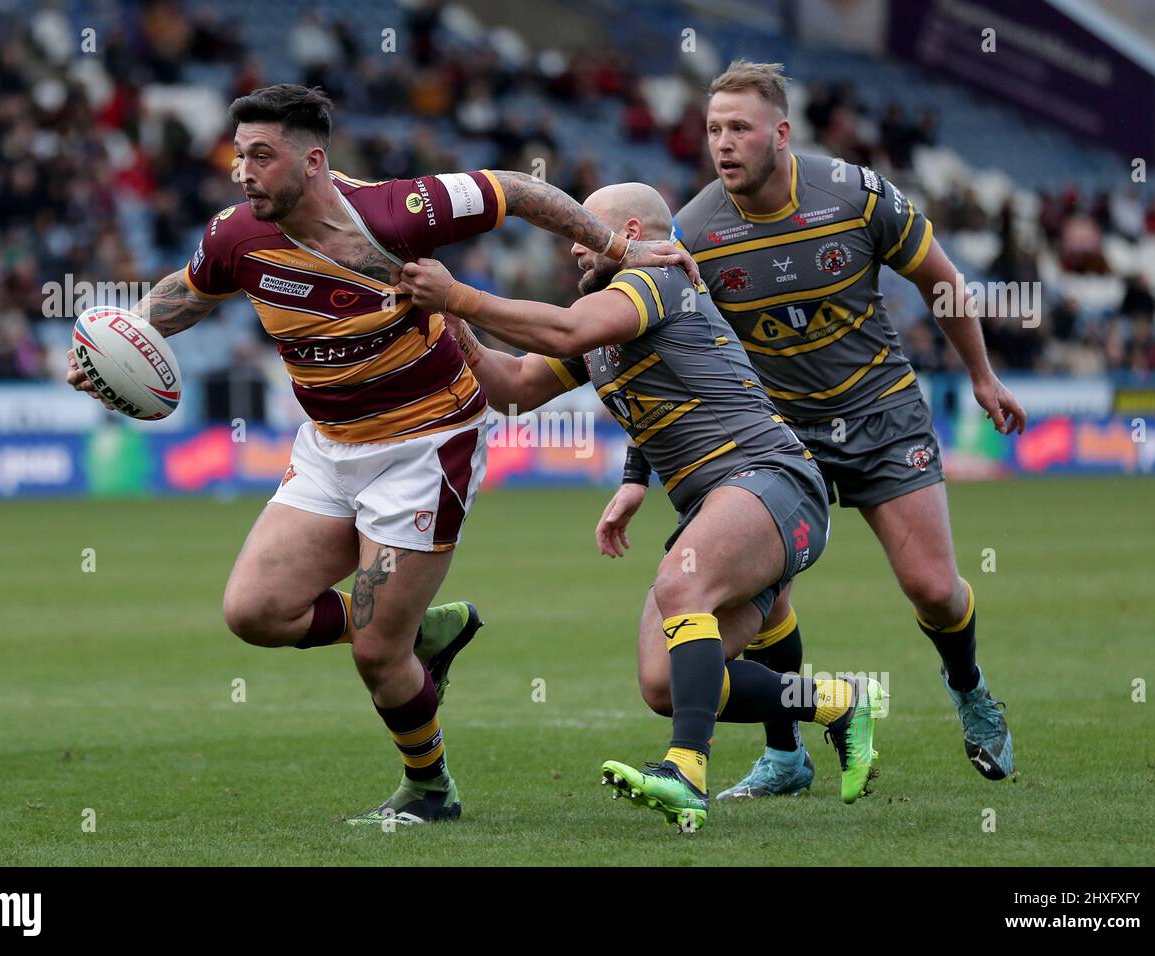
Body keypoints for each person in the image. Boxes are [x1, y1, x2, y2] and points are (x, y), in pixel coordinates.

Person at [66, 83, 695, 825]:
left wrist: (622, 248)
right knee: (255, 612)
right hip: (330, 448)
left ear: (314, 159)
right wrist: (124, 341)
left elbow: (520, 189)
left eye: (261, 157)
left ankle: (431, 789)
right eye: (239, 157)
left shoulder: (402, 210)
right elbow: (190, 292)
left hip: (425, 448)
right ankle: (426, 630)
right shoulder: (236, 235)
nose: (243, 173)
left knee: (374, 654)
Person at [398, 182, 885, 832]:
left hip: (773, 479)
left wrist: (458, 292)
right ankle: (836, 702)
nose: (574, 244)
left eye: (584, 229)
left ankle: (685, 773)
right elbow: (513, 388)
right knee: (665, 684)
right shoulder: (603, 320)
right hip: (728, 504)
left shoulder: (656, 282)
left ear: (629, 230)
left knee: (680, 582)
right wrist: (449, 322)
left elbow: (568, 327)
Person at [603, 61, 1025, 798]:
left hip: (880, 414)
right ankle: (786, 755)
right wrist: (637, 478)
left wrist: (983, 376)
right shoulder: (695, 232)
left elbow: (941, 282)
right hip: (774, 438)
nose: (723, 144)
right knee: (764, 600)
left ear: (782, 133)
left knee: (933, 588)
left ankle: (969, 687)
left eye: (739, 127)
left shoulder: (854, 196)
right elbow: (674, 360)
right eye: (712, 129)